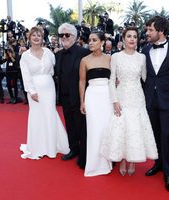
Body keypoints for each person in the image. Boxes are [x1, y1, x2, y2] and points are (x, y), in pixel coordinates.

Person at [102, 26, 158, 176]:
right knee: (121, 128)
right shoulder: (115, 57)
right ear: (123, 39)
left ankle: (132, 161)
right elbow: (112, 79)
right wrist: (114, 100)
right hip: (121, 96)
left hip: (137, 97)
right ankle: (121, 160)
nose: (132, 39)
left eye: (135, 36)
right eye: (129, 36)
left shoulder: (142, 57)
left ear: (137, 40)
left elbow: (145, 78)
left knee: (135, 129)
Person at [19, 26, 69, 159]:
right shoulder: (25, 56)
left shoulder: (48, 53)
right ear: (29, 38)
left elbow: (54, 69)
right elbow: (25, 75)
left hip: (49, 87)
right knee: (37, 115)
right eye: (33, 35)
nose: (36, 38)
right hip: (34, 89)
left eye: (39, 35)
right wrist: (31, 91)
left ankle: (52, 145)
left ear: (42, 38)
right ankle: (38, 146)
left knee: (50, 113)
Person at [54, 23, 90, 169]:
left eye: (67, 35)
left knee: (82, 125)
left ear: (74, 37)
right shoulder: (58, 55)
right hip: (64, 96)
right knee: (69, 123)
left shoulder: (84, 53)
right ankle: (73, 148)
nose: (64, 38)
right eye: (61, 35)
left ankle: (84, 152)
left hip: (80, 97)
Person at [79, 31, 112, 176]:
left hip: (107, 97)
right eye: (89, 40)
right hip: (92, 96)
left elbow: (115, 79)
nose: (90, 43)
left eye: (94, 40)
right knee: (93, 129)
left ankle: (107, 160)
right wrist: (82, 101)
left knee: (106, 128)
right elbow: (82, 81)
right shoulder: (85, 60)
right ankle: (93, 162)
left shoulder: (110, 59)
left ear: (102, 42)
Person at [142, 16, 169, 191]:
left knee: (167, 135)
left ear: (160, 31)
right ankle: (158, 163)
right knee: (155, 134)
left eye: (150, 30)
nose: (147, 33)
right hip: (150, 100)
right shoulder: (144, 50)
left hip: (167, 99)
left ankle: (168, 171)